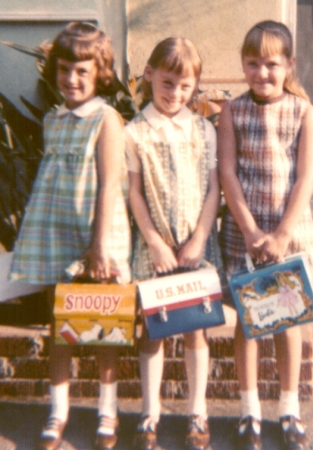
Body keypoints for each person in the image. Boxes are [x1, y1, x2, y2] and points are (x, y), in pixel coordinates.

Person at [9, 21, 131, 450]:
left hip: (95, 237)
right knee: (59, 322)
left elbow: (109, 185)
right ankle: (58, 411)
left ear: (99, 73)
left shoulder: (107, 119)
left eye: (82, 71)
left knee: (103, 327)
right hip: (55, 232)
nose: (72, 79)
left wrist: (99, 246)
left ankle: (107, 411)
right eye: (65, 69)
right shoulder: (52, 118)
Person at [218, 20, 313, 450]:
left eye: (271, 64)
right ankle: (249, 412)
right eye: (252, 64)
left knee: (287, 320)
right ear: (242, 66)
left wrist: (281, 233)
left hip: (289, 230)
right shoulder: (232, 110)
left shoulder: (304, 112)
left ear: (289, 65)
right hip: (245, 231)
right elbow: (227, 171)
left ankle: (288, 409)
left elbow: (306, 176)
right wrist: (248, 229)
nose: (262, 73)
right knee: (248, 322)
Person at [125, 37, 223, 450]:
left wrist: (200, 236)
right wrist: (154, 242)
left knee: (195, 332)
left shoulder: (203, 130)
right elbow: (133, 192)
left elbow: (215, 188)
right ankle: (150, 414)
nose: (175, 95)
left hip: (197, 247)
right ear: (149, 75)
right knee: (154, 332)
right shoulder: (134, 131)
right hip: (156, 249)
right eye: (167, 84)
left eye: (186, 87)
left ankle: (196, 413)